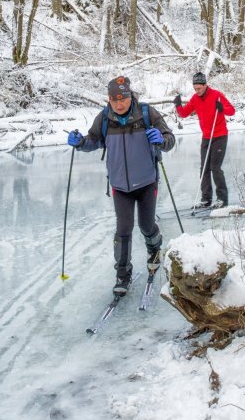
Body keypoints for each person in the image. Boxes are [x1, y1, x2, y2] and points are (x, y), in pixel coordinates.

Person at [67, 76, 176, 296]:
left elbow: (169, 139)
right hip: (119, 185)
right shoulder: (105, 118)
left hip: (146, 182)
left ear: (130, 96)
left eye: (123, 98)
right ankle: (122, 274)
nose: (119, 103)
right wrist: (79, 142)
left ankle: (154, 250)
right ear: (109, 99)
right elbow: (94, 140)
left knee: (146, 226)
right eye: (114, 99)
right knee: (123, 230)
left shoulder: (147, 114)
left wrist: (161, 140)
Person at [173, 72, 236, 209]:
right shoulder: (195, 98)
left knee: (215, 167)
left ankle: (222, 199)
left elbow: (232, 111)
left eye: (199, 88)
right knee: (204, 168)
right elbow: (184, 113)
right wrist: (178, 105)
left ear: (205, 85)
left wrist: (222, 109)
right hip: (206, 136)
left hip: (219, 135)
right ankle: (206, 199)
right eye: (195, 88)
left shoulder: (217, 95)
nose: (197, 91)